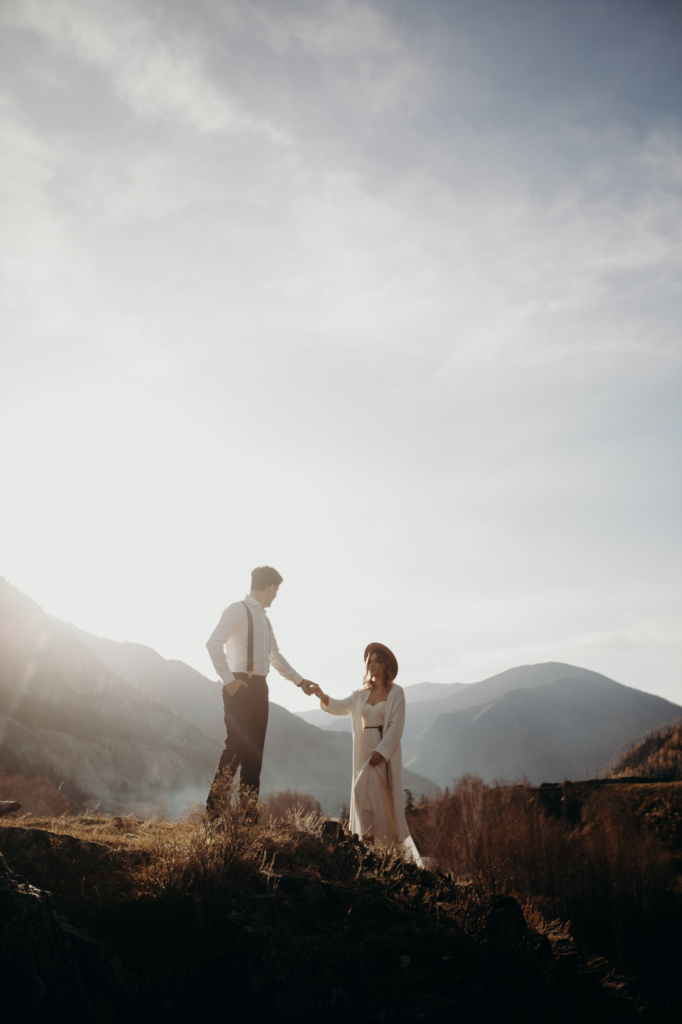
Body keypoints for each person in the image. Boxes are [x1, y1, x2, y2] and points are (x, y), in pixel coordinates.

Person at [205, 565, 318, 814]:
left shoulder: (266, 620)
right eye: (276, 590)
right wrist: (229, 680)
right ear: (270, 588)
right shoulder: (237, 609)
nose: (276, 595)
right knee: (235, 748)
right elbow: (213, 643)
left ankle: (247, 820)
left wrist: (300, 682)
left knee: (254, 755)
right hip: (239, 684)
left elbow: (275, 657)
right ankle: (213, 815)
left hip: (260, 687)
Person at [313, 643, 422, 864]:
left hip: (383, 753)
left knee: (372, 795)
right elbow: (340, 707)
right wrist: (322, 696)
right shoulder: (361, 694)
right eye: (368, 662)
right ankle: (369, 845)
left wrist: (381, 752)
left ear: (384, 664)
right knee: (364, 796)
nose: (371, 665)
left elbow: (396, 725)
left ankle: (383, 850)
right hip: (364, 752)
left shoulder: (396, 692)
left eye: (375, 661)